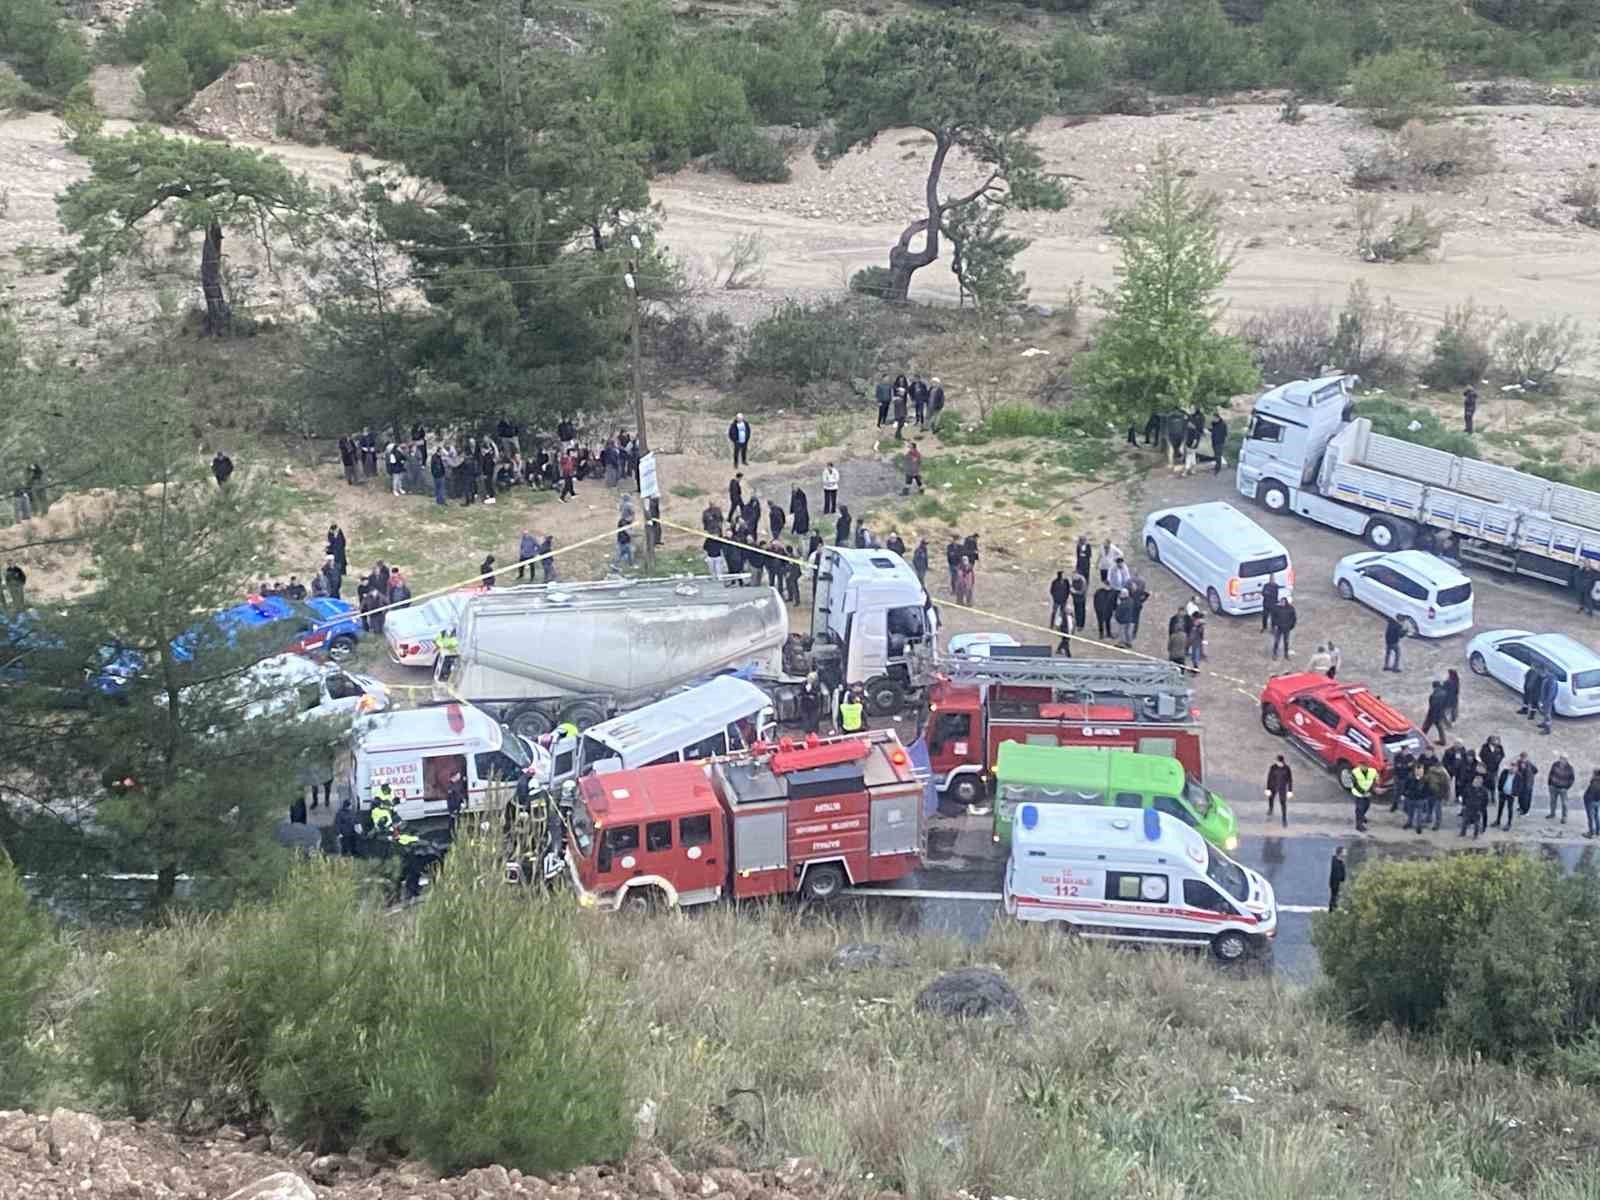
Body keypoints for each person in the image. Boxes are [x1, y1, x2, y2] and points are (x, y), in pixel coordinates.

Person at [1421, 679, 1451, 745]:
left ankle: (1421, 737)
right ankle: (1443, 741)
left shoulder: (1433, 695)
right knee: (1440, 727)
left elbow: (1432, 706)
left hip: (1433, 714)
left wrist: (1430, 716)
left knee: (1426, 726)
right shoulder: (1445, 693)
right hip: (1440, 713)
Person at [1265, 756, 1292, 827]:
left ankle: (1284, 818)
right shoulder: (1273, 767)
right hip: (1273, 786)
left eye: (1277, 761)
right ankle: (1270, 809)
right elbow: (1269, 778)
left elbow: (1290, 780)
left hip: (1282, 787)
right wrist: (1268, 788)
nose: (1276, 762)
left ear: (1281, 761)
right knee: (1271, 798)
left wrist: (1290, 790)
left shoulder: (1287, 768)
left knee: (1283, 803)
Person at [1548, 752, 1575, 822]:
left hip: (1563, 789)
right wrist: (1549, 784)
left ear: (1566, 759)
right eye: (1561, 758)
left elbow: (1572, 779)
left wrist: (1566, 787)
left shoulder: (1570, 768)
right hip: (1553, 787)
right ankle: (1552, 814)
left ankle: (1564, 817)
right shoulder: (1555, 764)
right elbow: (1551, 774)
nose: (1562, 760)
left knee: (1564, 803)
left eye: (1564, 759)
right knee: (1552, 801)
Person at [1350, 762, 1376, 831]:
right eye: (1361, 765)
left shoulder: (1372, 771)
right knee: (1360, 809)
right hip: (1358, 793)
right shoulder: (1355, 772)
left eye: (1364, 765)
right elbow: (1355, 784)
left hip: (1368, 793)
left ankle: (1362, 816)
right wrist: (1363, 792)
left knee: (1367, 806)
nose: (1362, 767)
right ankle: (1359, 825)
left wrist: (1371, 790)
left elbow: (1374, 781)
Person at [1537, 668, 1558, 735]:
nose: (1545, 672)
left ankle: (1547, 729)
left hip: (1547, 701)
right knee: (1545, 713)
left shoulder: (1552, 681)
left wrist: (1546, 702)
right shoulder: (1548, 679)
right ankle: (1544, 724)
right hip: (1545, 700)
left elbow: (1551, 693)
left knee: (1547, 714)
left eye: (1546, 671)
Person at [1585, 768, 1600, 838]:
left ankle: (1591, 833)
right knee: (1596, 816)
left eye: (1593, 773)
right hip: (1597, 801)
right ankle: (1597, 831)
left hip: (1591, 801)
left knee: (1590, 817)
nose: (1592, 775)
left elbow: (1592, 792)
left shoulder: (1595, 781)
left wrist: (1586, 798)